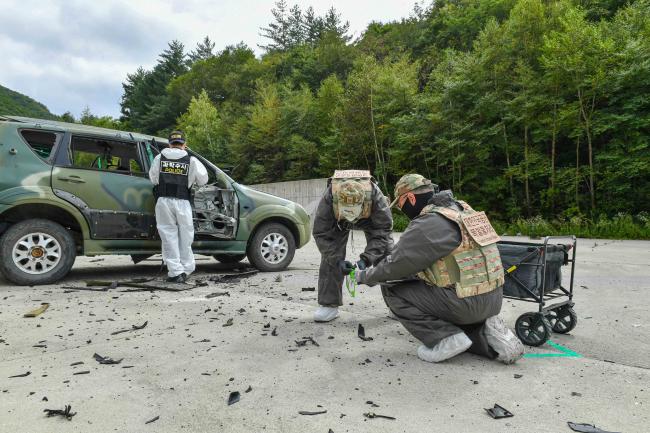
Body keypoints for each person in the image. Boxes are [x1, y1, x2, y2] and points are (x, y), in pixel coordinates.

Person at [354, 174, 524, 364]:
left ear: (409, 198)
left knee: (392, 289)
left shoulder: (429, 222)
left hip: (466, 304)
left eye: (401, 206)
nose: (403, 211)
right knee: (429, 283)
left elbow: (395, 266)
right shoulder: (464, 209)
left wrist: (362, 276)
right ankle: (484, 331)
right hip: (494, 299)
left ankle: (446, 338)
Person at [312, 170, 393, 322]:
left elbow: (383, 231)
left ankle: (397, 304)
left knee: (388, 254)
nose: (352, 217)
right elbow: (321, 233)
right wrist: (337, 261)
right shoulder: (330, 197)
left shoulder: (375, 195)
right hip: (338, 221)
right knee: (329, 256)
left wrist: (367, 259)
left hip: (369, 218)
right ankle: (329, 305)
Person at [149, 131, 209, 283]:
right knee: (185, 236)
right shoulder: (191, 160)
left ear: (169, 143)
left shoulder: (159, 158)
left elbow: (153, 178)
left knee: (169, 236)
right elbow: (203, 180)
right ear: (184, 144)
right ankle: (186, 269)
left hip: (164, 201)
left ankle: (175, 272)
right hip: (183, 201)